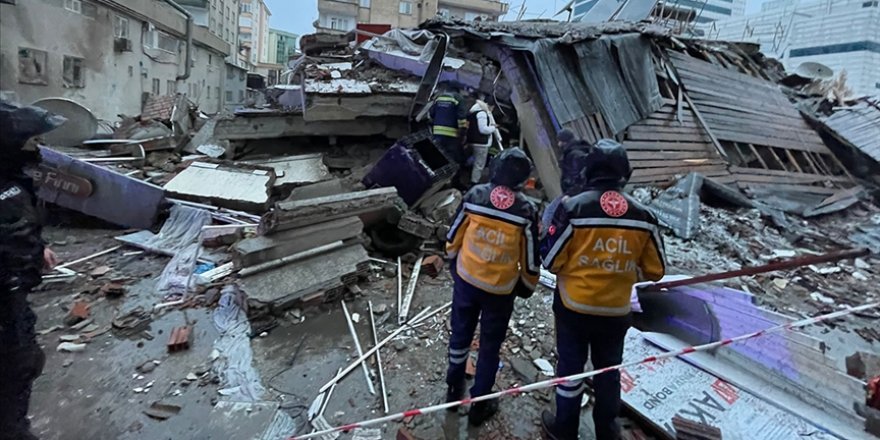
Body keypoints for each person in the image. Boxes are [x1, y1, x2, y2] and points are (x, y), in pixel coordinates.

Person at [540, 139, 666, 440]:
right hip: (615, 312)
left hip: (573, 309)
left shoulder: (572, 207)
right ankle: (607, 433)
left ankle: (564, 430)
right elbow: (656, 271)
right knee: (608, 373)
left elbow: (550, 260)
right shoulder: (644, 216)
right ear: (625, 172)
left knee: (571, 372)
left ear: (589, 169)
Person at [444, 147, 540, 426]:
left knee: (460, 336)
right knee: (489, 346)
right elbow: (531, 258)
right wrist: (528, 285)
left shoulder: (474, 196)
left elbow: (453, 237)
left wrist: (454, 263)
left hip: (467, 280)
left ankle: (453, 389)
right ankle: (479, 405)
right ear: (523, 178)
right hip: (499, 291)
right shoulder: (527, 210)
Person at [1, 100, 65, 440]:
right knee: (18, 366)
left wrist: (39, 248)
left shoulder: (13, 181)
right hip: (5, 299)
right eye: (31, 140)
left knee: (24, 363)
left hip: (14, 295)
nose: (38, 147)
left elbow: (17, 228)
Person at [541, 129, 592, 232]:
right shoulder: (574, 152)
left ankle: (548, 240)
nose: (559, 144)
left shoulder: (576, 155)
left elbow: (582, 177)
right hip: (574, 193)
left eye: (560, 141)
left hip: (574, 194)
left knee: (549, 214)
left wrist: (570, 194)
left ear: (565, 141)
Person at [465, 96, 502, 185]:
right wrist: (494, 127)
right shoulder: (482, 113)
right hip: (481, 144)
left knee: (470, 162)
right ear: (490, 106)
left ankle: (466, 179)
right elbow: (483, 129)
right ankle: (474, 183)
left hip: (472, 141)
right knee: (479, 165)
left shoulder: (474, 112)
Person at [429, 83, 468, 164]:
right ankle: (450, 175)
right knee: (451, 157)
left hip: (437, 132)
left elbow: (432, 113)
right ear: (458, 90)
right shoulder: (458, 98)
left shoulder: (439, 97)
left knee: (437, 155)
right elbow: (461, 117)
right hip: (451, 134)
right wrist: (463, 133)